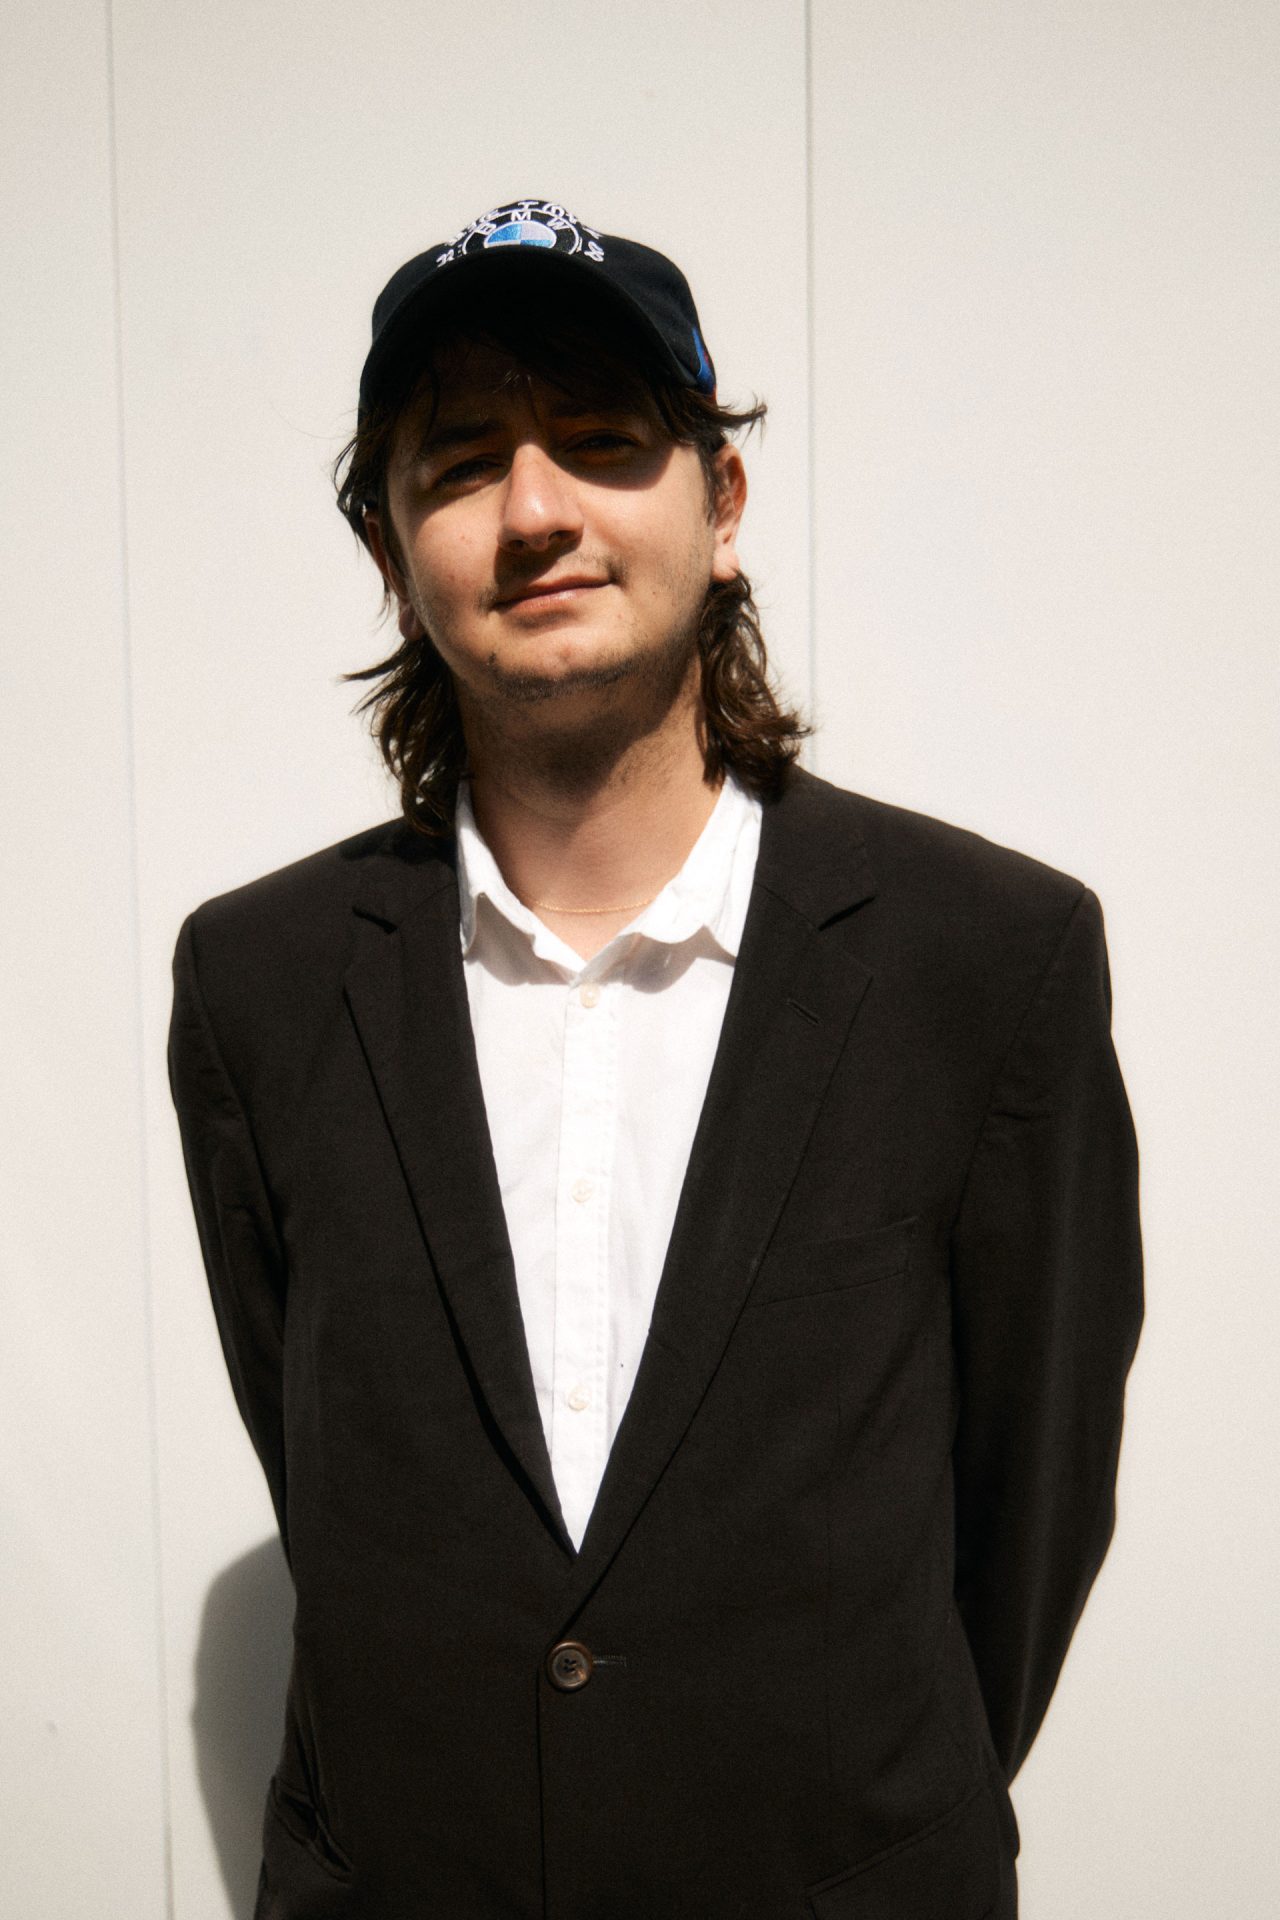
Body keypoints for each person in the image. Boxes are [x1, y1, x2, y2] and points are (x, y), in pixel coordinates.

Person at [168, 195, 1144, 1920]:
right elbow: (319, 1473)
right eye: (462, 462)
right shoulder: (258, 984)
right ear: (392, 553)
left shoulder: (989, 960)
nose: (537, 508)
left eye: (605, 441)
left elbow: (1026, 1514)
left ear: (725, 503)